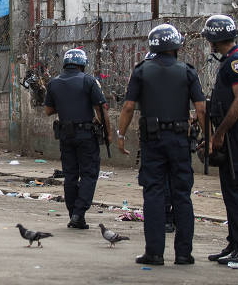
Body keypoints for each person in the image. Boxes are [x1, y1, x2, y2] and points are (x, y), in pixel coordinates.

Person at [117, 24, 206, 266]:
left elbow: (128, 107)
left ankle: (154, 253)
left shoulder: (142, 71)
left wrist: (120, 134)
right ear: (176, 46)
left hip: (153, 141)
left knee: (154, 194)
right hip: (179, 141)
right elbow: (200, 108)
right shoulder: (187, 71)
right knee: (182, 195)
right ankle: (184, 254)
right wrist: (207, 137)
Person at [201, 14, 238, 266]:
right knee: (228, 191)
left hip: (233, 135)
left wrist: (220, 133)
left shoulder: (236, 62)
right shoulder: (231, 61)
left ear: (215, 39)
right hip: (228, 133)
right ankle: (234, 243)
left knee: (234, 192)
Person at [44, 48, 110, 230]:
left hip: (66, 135)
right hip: (86, 135)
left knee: (71, 175)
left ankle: (73, 213)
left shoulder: (54, 83)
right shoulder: (88, 81)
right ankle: (79, 213)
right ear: (82, 64)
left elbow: (48, 110)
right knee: (89, 173)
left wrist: (65, 104)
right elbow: (101, 109)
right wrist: (109, 133)